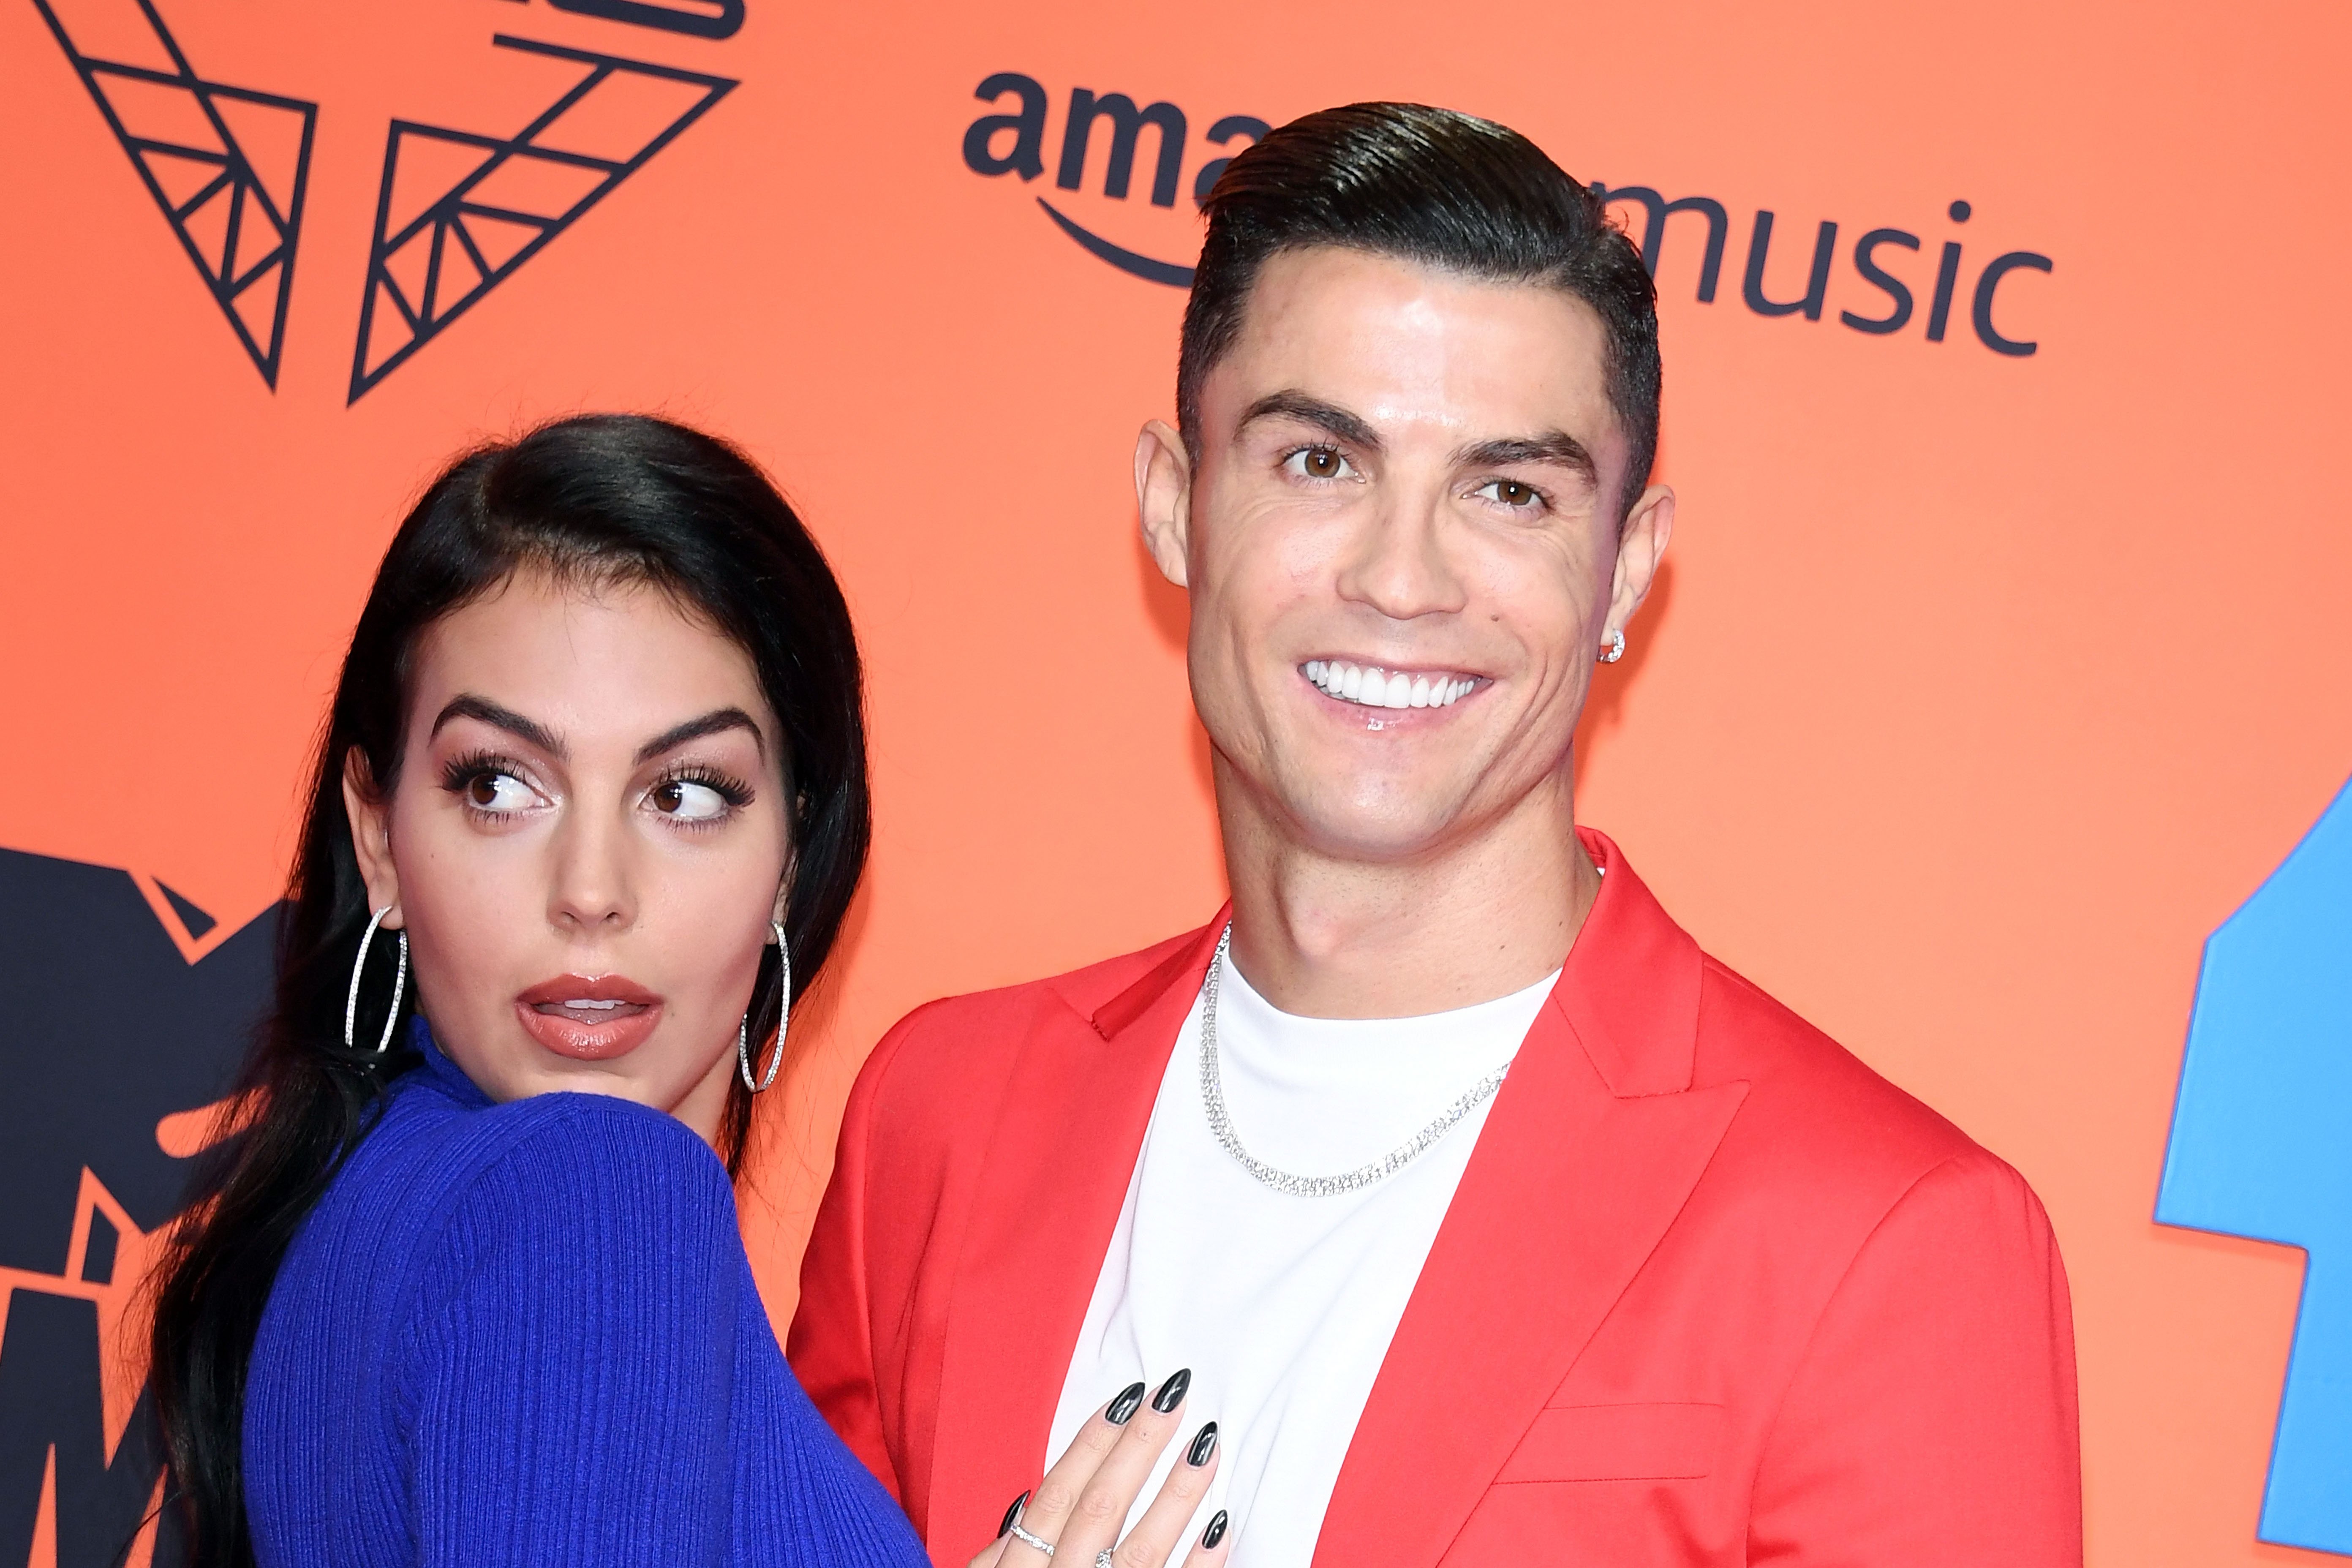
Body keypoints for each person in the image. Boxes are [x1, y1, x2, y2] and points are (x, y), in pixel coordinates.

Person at [790, 106, 2082, 1567]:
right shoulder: (940, 1118)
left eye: (1509, 492)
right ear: (1175, 506)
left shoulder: (1883, 1246)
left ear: (1624, 574)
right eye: (1319, 464)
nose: (1403, 577)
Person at [147, 414, 1226, 1568]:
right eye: (502, 786)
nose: (592, 892)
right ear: (378, 839)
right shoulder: (594, 1192)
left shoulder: (349, 1223)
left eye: (688, 795)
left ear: (791, 856)